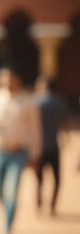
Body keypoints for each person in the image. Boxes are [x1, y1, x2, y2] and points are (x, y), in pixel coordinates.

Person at [0, 65, 41, 234]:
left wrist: (36, 154)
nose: (6, 82)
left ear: (17, 80)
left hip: (18, 152)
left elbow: (35, 129)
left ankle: (5, 231)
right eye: (3, 78)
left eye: (10, 78)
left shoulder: (28, 101)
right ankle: (6, 210)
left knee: (11, 192)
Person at [34, 76, 67, 216]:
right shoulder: (59, 102)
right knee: (57, 179)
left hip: (40, 146)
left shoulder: (35, 102)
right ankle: (52, 206)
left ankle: (39, 203)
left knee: (39, 179)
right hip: (54, 145)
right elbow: (64, 122)